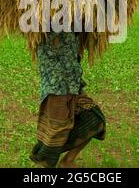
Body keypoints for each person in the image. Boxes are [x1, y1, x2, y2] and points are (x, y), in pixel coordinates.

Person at [29, 31, 106, 168]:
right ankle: (44, 163)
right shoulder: (46, 31)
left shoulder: (70, 30)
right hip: (57, 90)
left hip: (74, 87)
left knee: (96, 120)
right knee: (56, 132)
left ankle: (67, 161)